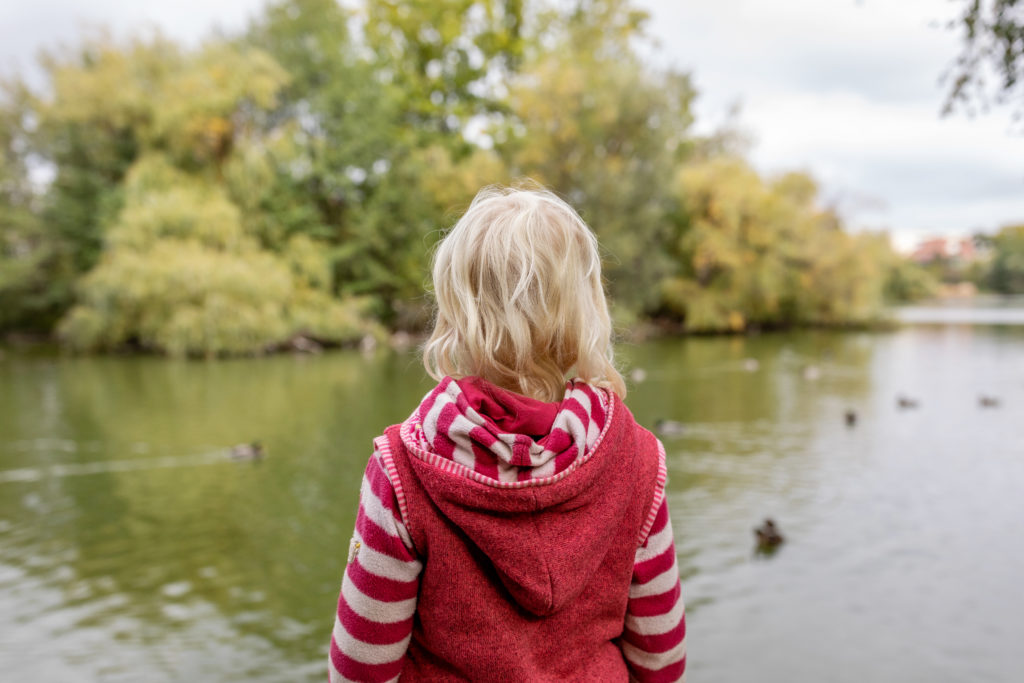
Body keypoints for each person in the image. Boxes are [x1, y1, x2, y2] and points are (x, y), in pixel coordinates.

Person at [328, 185, 687, 682]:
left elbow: (361, 669)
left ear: (457, 312)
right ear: (586, 312)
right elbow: (661, 657)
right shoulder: (638, 458)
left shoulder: (402, 469)